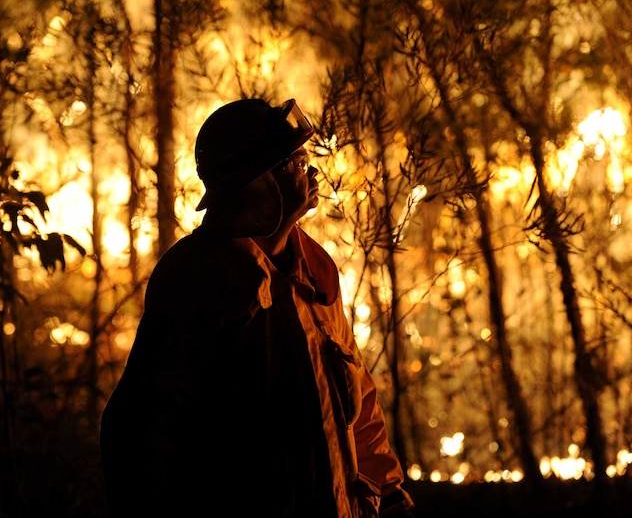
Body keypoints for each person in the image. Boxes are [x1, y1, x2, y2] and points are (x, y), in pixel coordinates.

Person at [99, 98, 415, 517]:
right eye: (297, 164)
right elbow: (140, 436)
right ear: (259, 183)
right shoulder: (195, 280)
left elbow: (361, 409)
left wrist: (390, 495)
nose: (312, 172)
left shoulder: (313, 271)